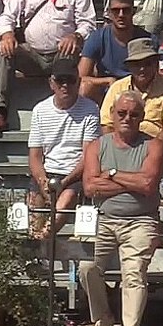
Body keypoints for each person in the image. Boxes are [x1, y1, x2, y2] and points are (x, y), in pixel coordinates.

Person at [79, 92, 163, 326]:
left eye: (134, 114)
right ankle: (103, 317)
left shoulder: (154, 145)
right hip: (103, 218)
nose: (128, 118)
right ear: (112, 115)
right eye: (122, 113)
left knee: (134, 271)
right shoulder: (97, 145)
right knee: (86, 267)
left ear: (142, 117)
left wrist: (112, 173)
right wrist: (132, 183)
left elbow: (148, 184)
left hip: (142, 220)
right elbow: (90, 187)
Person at [0, 0, 96, 132]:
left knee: (69, 53)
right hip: (32, 54)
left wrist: (76, 36)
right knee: (4, 52)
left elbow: (88, 24)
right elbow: (7, 16)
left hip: (61, 53)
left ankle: (66, 113)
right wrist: (7, 34)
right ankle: (0, 112)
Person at [27, 58, 101, 237]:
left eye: (71, 80)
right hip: (47, 173)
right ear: (51, 83)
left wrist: (65, 182)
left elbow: (88, 156)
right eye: (60, 80)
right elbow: (35, 156)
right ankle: (36, 239)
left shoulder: (91, 109)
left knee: (65, 200)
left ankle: (43, 239)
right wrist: (43, 181)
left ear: (79, 82)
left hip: (75, 175)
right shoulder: (40, 110)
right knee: (33, 204)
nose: (65, 85)